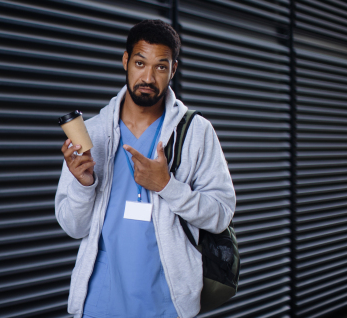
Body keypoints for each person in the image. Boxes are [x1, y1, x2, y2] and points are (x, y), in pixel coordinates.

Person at [55, 19, 236, 318]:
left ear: (173, 70)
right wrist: (83, 186)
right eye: (140, 63)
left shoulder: (195, 133)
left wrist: (167, 186)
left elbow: (220, 215)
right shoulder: (93, 134)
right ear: (126, 60)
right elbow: (73, 228)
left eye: (160, 67)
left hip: (166, 303)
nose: (148, 77)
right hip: (101, 303)